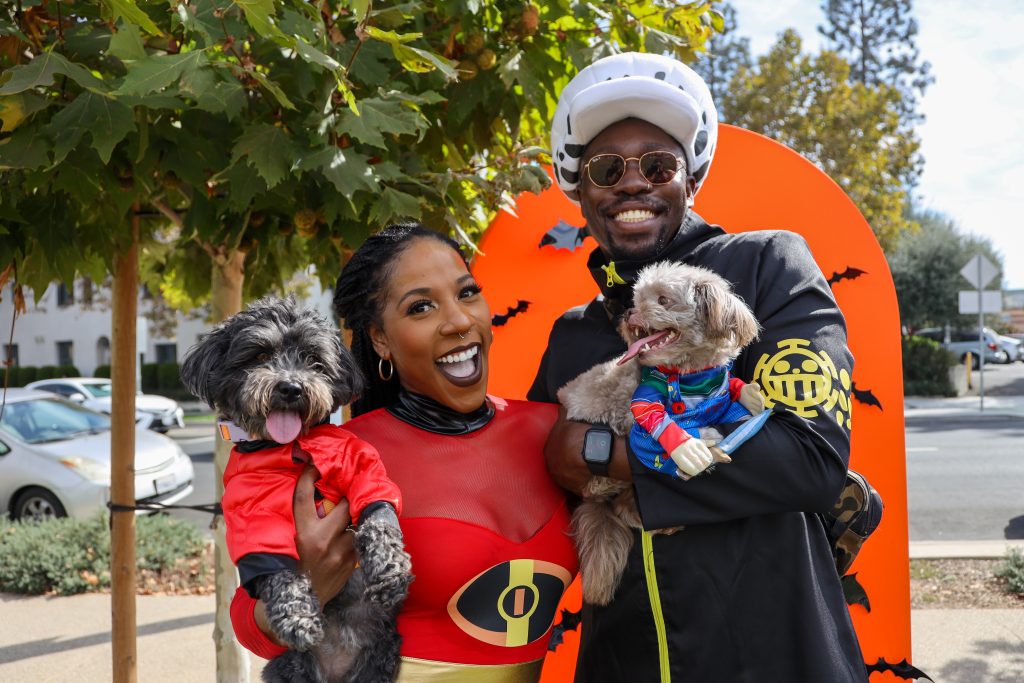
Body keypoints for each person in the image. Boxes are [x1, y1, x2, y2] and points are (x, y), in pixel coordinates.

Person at [530, 52, 868, 681]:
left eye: (658, 165)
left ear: (690, 179)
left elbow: (809, 460)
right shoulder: (572, 334)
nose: (633, 183)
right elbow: (538, 483)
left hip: (778, 657)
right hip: (620, 659)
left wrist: (606, 455)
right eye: (607, 168)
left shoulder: (769, 266)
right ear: (581, 191)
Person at [230, 223, 578, 681]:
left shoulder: (556, 431)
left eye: (468, 293)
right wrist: (305, 587)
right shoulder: (343, 458)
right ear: (379, 339)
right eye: (421, 307)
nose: (458, 320)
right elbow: (248, 621)